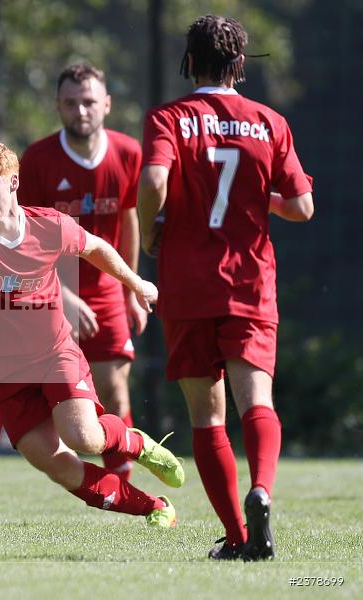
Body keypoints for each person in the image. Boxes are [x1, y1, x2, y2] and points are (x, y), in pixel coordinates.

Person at [0, 140, 184, 528]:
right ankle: (154, 507)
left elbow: (96, 247)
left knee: (83, 437)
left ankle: (136, 443)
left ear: (13, 182)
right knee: (55, 465)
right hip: (5, 373)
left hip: (54, 354)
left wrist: (135, 283)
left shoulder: (48, 224)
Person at [138, 15, 314, 560]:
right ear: (239, 64)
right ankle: (262, 487)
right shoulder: (270, 121)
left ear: (189, 62)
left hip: (188, 282)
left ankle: (238, 537)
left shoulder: (169, 117)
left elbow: (154, 180)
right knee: (256, 400)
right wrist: (258, 198)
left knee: (206, 416)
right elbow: (302, 207)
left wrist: (148, 232)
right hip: (250, 280)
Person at [0, 64, 146, 513]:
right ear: (58, 106)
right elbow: (22, 235)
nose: (81, 110)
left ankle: (123, 482)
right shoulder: (38, 159)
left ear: (107, 104)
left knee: (114, 391)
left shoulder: (128, 152)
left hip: (105, 291)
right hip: (45, 293)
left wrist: (130, 287)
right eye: (71, 103)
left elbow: (128, 220)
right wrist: (64, 295)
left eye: (89, 101)